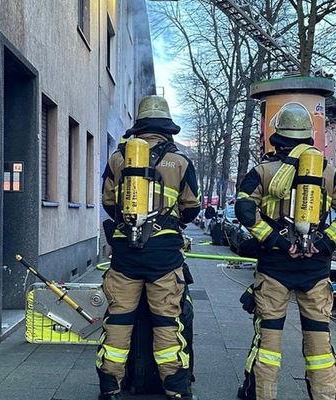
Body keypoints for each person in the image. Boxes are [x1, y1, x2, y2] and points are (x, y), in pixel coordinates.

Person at [234, 102, 336, 400]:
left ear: (277, 136)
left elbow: (243, 208)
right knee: (319, 344)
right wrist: (326, 242)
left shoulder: (264, 171)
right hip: (315, 269)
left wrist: (274, 240)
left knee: (268, 343)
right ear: (308, 136)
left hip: (274, 268)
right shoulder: (327, 172)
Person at [98, 95, 201, 400]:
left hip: (125, 257)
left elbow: (107, 202)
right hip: (164, 257)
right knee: (167, 323)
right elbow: (192, 208)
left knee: (118, 321)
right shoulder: (180, 161)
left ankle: (110, 388)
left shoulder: (118, 158)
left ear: (139, 125)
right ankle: (176, 389)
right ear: (166, 127)